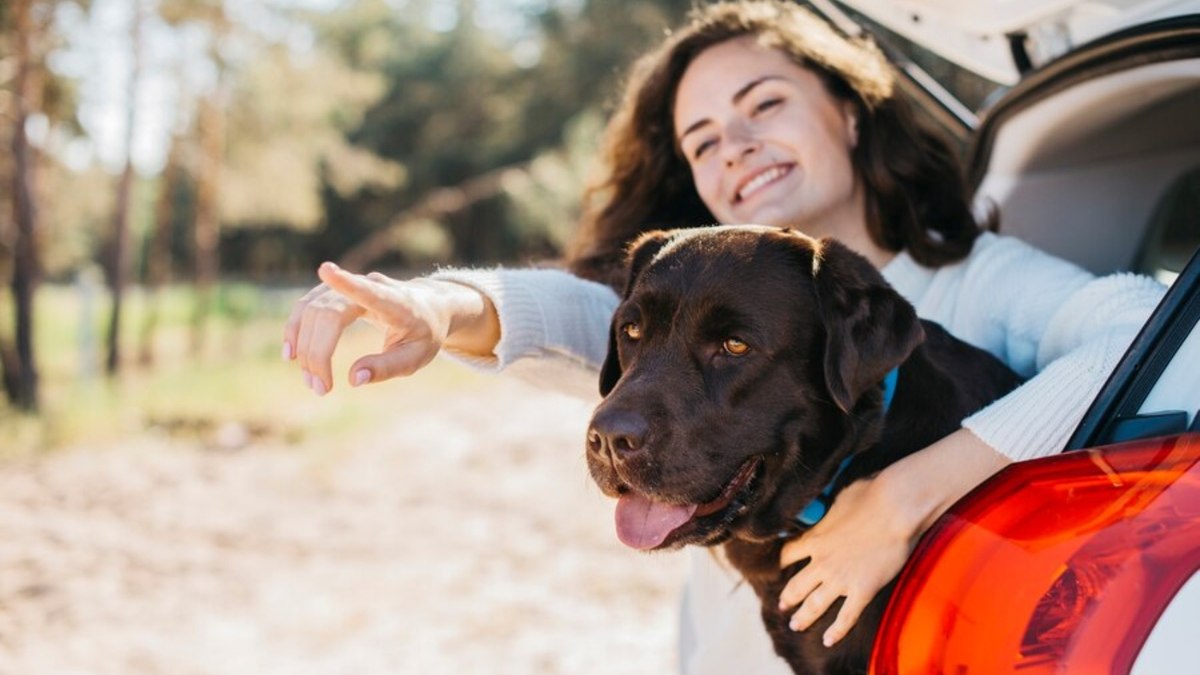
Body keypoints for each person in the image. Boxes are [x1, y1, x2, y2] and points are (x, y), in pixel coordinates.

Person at [283, 2, 1165, 673]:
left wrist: (901, 500)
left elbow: (1144, 334)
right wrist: (441, 307)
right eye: (702, 141)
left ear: (850, 111)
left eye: (763, 105)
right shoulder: (694, 282)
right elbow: (576, 316)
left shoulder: (976, 279)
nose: (734, 146)